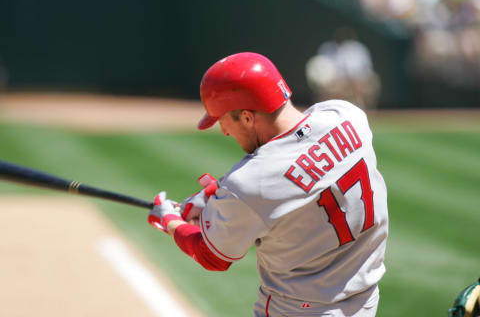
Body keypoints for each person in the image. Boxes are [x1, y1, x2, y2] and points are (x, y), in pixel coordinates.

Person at [148, 52, 389, 316]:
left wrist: (170, 221)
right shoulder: (346, 115)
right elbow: (299, 171)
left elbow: (212, 256)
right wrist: (211, 195)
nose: (224, 131)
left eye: (223, 121)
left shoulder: (249, 185)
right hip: (365, 302)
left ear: (248, 117)